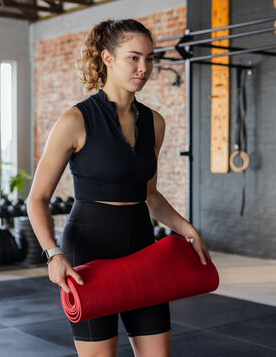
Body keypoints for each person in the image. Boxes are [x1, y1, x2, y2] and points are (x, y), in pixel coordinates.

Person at [27, 19, 210, 357]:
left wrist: (187, 229)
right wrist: (53, 253)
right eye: (134, 58)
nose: (144, 68)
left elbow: (149, 194)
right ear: (107, 58)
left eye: (151, 59)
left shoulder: (154, 122)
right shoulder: (75, 120)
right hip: (89, 249)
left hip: (142, 244)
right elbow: (37, 198)